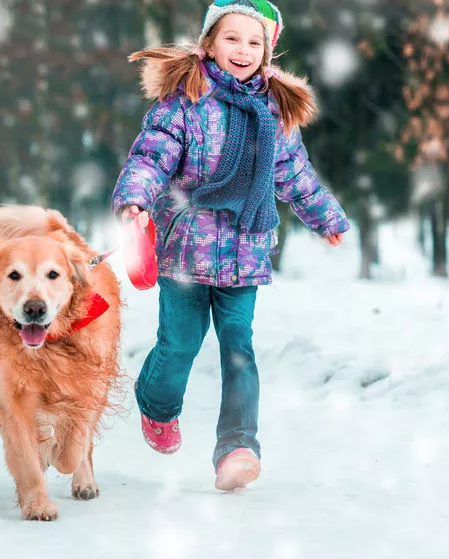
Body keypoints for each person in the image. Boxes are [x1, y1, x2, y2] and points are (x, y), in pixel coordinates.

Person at [111, 0, 349, 491]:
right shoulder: (184, 102)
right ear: (209, 44)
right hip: (185, 253)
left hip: (246, 252)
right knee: (179, 345)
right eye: (232, 38)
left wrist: (325, 216)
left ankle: (238, 448)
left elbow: (294, 175)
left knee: (239, 347)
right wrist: (135, 198)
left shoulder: (273, 114)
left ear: (268, 51)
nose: (242, 50)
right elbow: (152, 156)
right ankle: (156, 403)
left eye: (254, 41)